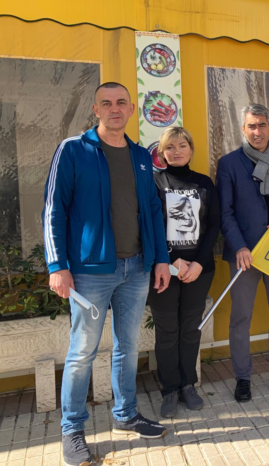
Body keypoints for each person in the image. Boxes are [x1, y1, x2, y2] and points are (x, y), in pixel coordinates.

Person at [43, 82, 171, 466]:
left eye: (121, 103)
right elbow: (54, 208)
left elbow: (151, 209)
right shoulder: (74, 149)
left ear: (131, 109)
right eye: (106, 103)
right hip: (89, 272)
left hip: (136, 268)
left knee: (127, 347)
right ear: (96, 109)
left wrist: (160, 258)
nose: (114, 109)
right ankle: (72, 430)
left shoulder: (140, 156)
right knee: (82, 352)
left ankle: (126, 415)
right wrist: (57, 265)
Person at [216, 103, 269, 403]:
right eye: (251, 126)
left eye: (262, 125)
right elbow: (225, 212)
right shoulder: (229, 164)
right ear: (243, 129)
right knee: (241, 318)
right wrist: (239, 246)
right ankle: (242, 377)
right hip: (244, 255)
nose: (257, 131)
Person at [148, 127, 220, 418]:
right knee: (167, 331)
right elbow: (149, 226)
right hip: (165, 270)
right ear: (162, 152)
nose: (176, 151)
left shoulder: (204, 183)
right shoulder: (154, 182)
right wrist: (172, 260)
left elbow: (214, 224)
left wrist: (199, 262)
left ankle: (189, 384)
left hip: (200, 269)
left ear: (191, 149)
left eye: (182, 145)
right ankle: (169, 389)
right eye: (170, 147)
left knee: (190, 329)